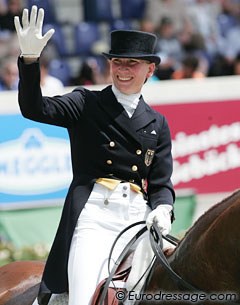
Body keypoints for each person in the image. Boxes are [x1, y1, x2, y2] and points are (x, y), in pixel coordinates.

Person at [14, 6, 175, 305]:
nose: (123, 70)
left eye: (132, 64)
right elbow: (34, 108)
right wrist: (30, 60)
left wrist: (163, 208)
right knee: (81, 299)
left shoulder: (157, 123)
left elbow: (162, 182)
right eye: (117, 62)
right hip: (94, 217)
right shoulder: (86, 103)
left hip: (139, 220)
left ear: (149, 70)